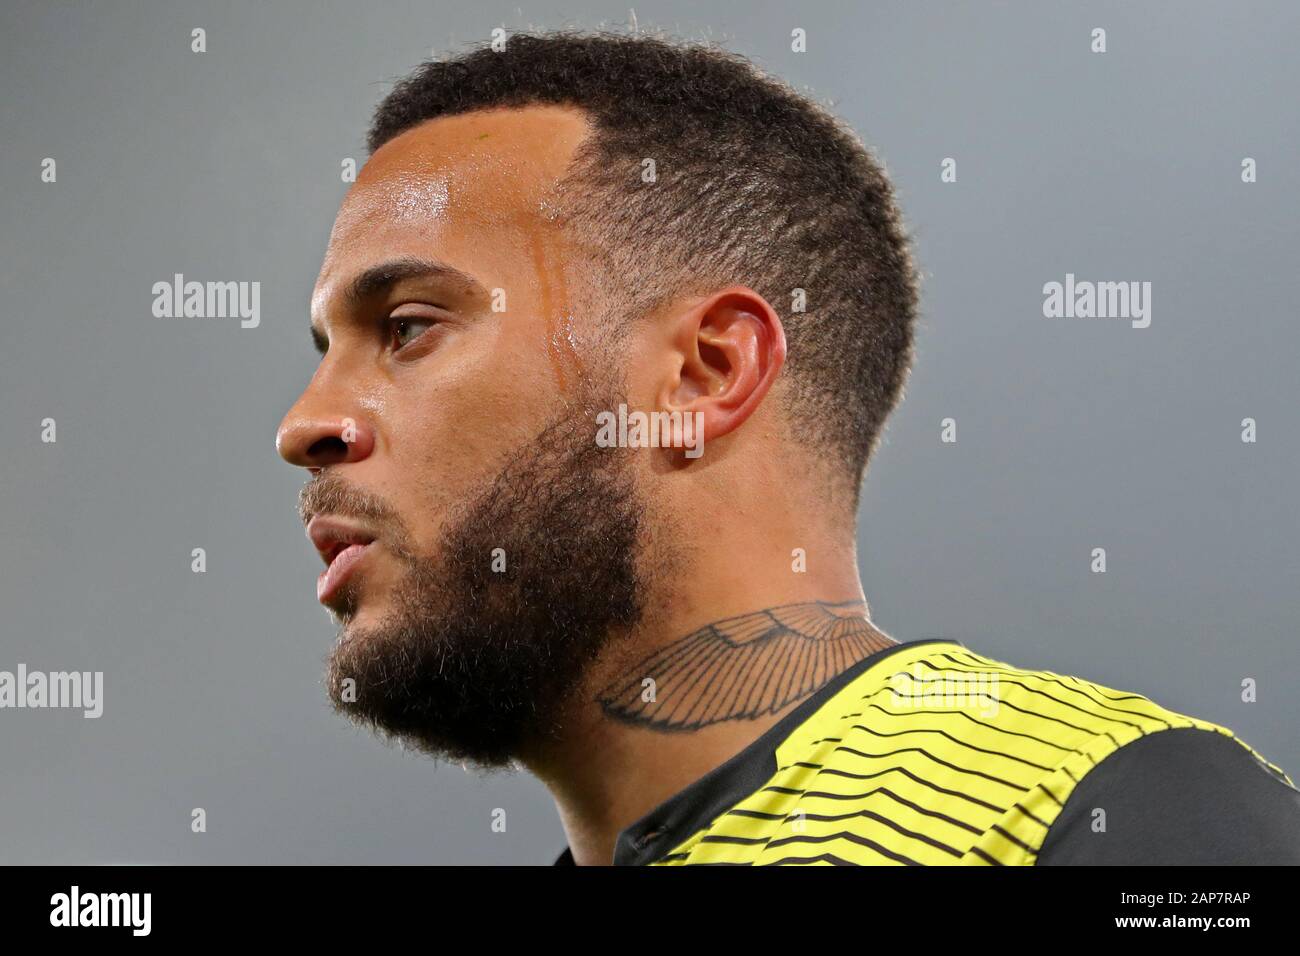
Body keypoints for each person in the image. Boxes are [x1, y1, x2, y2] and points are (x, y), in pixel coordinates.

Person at [275, 31, 1300, 865]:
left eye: (406, 326)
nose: (303, 425)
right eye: (327, 349)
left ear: (705, 372)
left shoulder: (1116, 813)